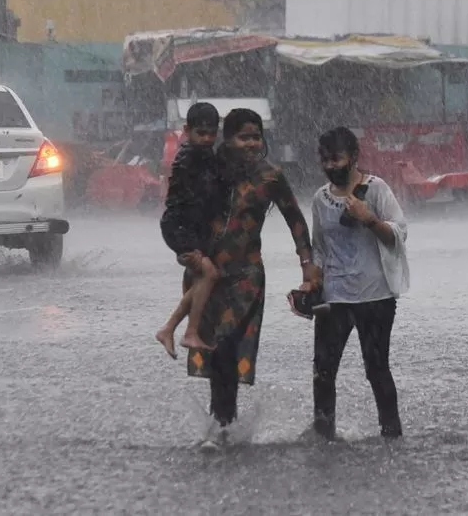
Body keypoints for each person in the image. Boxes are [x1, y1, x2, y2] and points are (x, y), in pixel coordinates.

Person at [187, 108, 314, 444]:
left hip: (246, 277)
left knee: (227, 344)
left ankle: (224, 425)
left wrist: (307, 266)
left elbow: (296, 222)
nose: (252, 143)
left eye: (257, 136)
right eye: (244, 137)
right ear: (227, 139)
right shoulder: (209, 171)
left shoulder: (270, 176)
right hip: (207, 276)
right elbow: (180, 212)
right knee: (214, 350)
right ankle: (222, 423)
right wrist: (183, 247)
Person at [298, 126, 409, 440]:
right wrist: (311, 279)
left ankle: (391, 433)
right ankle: (324, 432)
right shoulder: (320, 199)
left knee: (376, 369)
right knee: (323, 371)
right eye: (325, 161)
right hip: (335, 298)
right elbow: (319, 246)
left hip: (376, 296)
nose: (331, 166)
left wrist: (369, 218)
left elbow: (399, 234)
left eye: (337, 159)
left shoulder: (376, 189)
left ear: (354, 157)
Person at [155, 102, 225, 357]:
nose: (206, 139)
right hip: (179, 227)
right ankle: (190, 333)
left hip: (186, 226)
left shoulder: (204, 156)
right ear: (187, 130)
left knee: (203, 279)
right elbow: (193, 203)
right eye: (200, 133)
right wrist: (192, 245)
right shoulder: (189, 158)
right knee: (209, 274)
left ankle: (168, 328)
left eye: (211, 133)